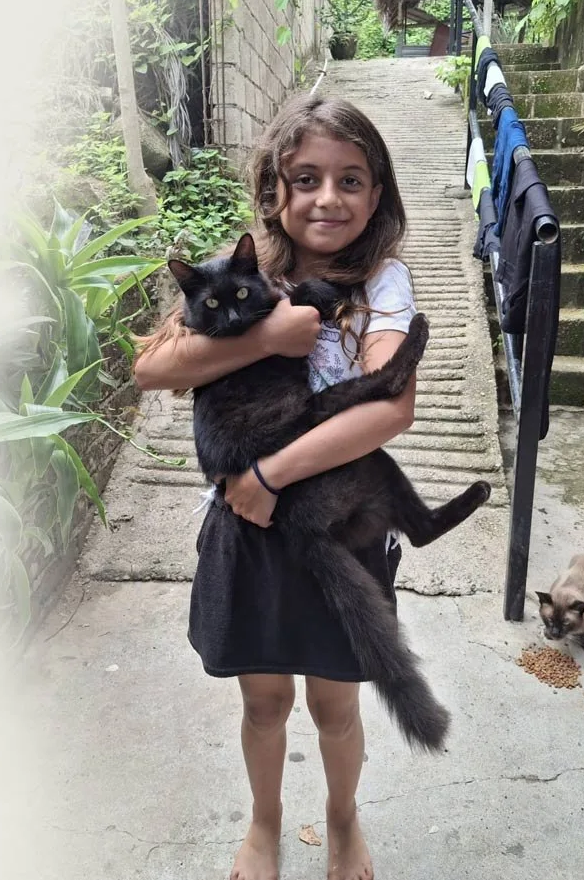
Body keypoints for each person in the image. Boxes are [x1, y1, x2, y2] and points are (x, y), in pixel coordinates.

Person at [132, 94, 416, 880]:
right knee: (263, 701)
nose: (328, 197)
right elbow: (150, 367)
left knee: (335, 702)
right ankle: (265, 822)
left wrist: (267, 474)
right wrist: (268, 334)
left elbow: (391, 405)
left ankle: (343, 817)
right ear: (274, 189)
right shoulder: (244, 270)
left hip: (339, 525)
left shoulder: (382, 282)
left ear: (377, 193)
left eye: (350, 180)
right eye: (306, 178)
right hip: (247, 532)